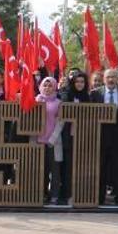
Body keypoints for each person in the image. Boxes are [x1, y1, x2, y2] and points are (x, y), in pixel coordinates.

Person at [90, 69, 118, 206]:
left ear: (117, 78)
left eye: (113, 77)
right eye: (108, 77)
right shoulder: (95, 94)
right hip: (100, 137)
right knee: (100, 167)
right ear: (104, 79)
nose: (111, 80)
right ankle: (99, 198)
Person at [59, 71, 90, 204]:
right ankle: (66, 194)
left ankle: (80, 194)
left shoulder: (88, 97)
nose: (79, 84)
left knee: (81, 166)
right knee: (68, 166)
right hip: (68, 136)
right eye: (77, 82)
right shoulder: (67, 95)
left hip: (84, 137)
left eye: (82, 82)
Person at [36, 77, 64, 205]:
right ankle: (41, 194)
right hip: (37, 140)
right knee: (40, 169)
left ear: (54, 87)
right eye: (45, 85)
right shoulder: (36, 100)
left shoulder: (58, 102)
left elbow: (60, 122)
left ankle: (54, 195)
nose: (47, 88)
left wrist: (53, 138)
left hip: (53, 141)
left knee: (55, 170)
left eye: (50, 86)